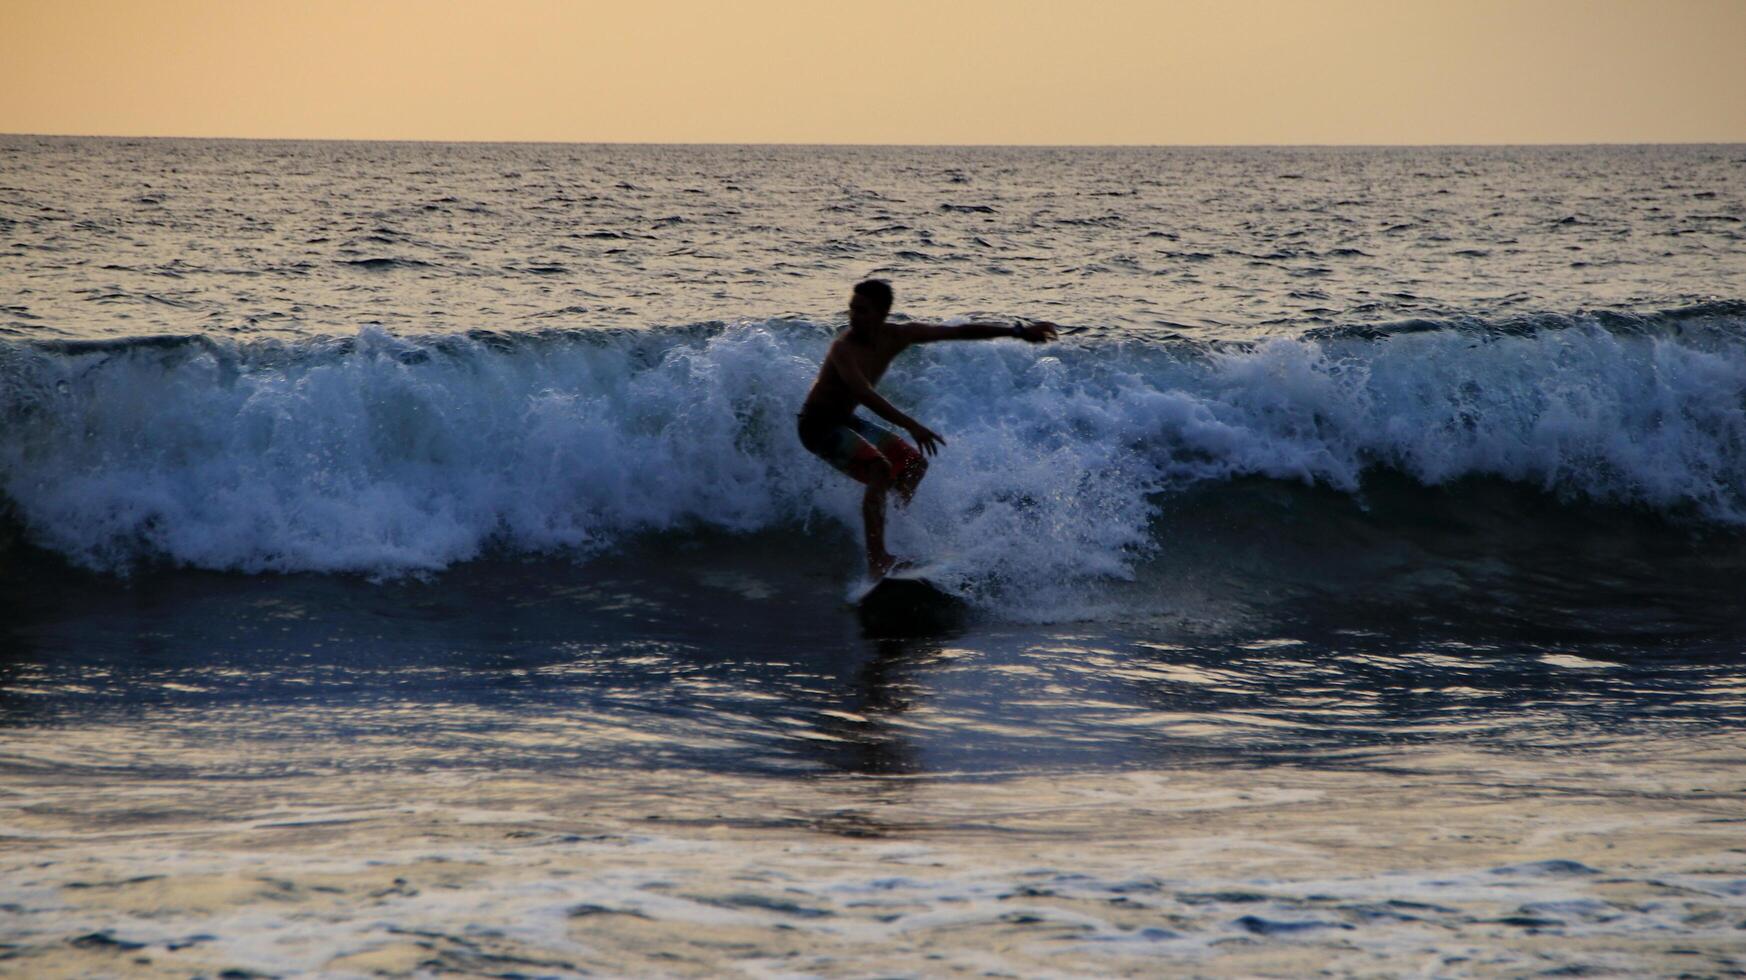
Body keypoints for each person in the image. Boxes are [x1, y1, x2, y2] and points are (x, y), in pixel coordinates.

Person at [797, 278, 1059, 578]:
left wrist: (1018, 331)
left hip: (844, 421)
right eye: (852, 309)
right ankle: (877, 560)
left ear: (883, 313)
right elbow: (864, 394)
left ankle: (893, 530)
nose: (854, 317)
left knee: (912, 464)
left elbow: (959, 332)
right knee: (880, 469)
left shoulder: (898, 336)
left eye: (863, 311)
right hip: (816, 426)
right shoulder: (842, 349)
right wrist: (913, 426)